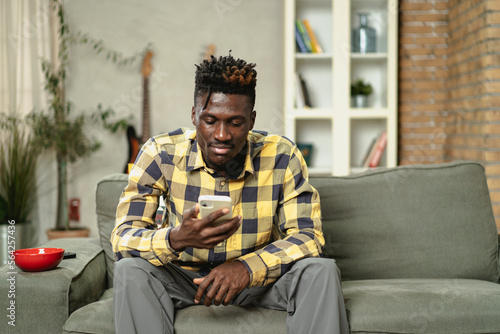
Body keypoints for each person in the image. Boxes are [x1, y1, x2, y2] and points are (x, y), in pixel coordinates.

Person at [111, 53, 349, 334]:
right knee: (130, 271)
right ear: (193, 115)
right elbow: (123, 238)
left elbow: (309, 238)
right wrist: (177, 238)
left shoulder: (282, 155)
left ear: (251, 120)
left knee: (321, 271)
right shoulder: (160, 153)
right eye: (210, 120)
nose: (222, 134)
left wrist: (247, 268)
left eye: (235, 123)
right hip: (183, 280)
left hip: (261, 285)